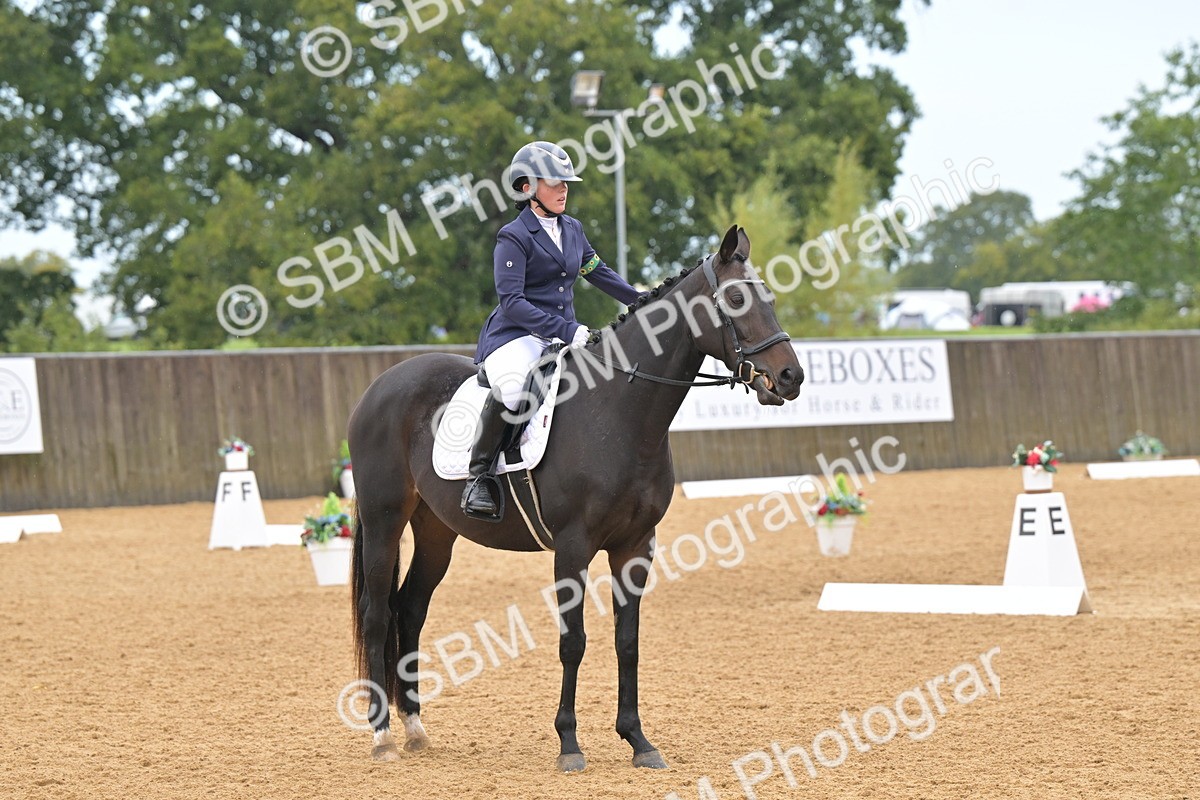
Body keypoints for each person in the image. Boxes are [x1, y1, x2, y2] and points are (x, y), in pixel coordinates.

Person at [461, 141, 642, 519]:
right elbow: (512, 301)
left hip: (561, 334)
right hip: (515, 334)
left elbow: (598, 272)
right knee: (514, 388)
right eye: (555, 182)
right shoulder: (513, 236)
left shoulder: (573, 229)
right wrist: (567, 329)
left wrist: (643, 301)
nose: (564, 190)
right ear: (527, 186)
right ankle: (479, 476)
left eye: (566, 183)